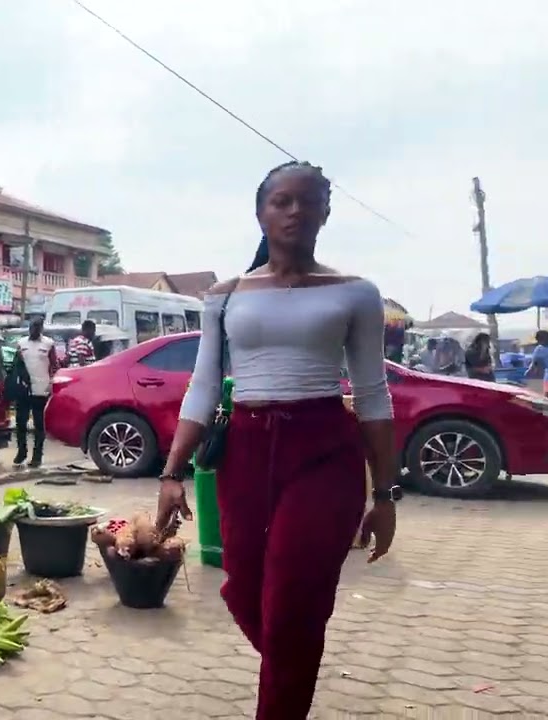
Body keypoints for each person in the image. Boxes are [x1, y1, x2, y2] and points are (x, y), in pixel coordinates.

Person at [155, 161, 398, 720]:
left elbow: (373, 394)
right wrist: (171, 473)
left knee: (293, 600)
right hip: (245, 450)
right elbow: (203, 384)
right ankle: (293, 659)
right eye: (282, 201)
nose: (295, 211)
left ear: (326, 213)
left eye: (308, 201)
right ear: (260, 213)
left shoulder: (355, 292)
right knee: (244, 589)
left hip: (324, 452)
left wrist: (385, 495)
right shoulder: (226, 295)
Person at [14, 317, 58, 467]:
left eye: (37, 327)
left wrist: (51, 383)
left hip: (41, 390)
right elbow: (17, 365)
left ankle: (37, 456)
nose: (33, 330)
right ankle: (21, 452)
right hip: (24, 389)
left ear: (41, 329)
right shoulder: (21, 343)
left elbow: (54, 366)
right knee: (21, 423)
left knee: (39, 424)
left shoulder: (48, 344)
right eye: (32, 327)